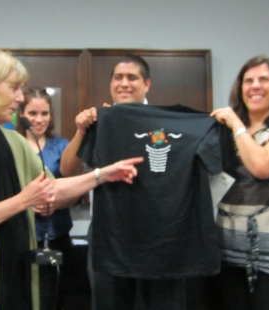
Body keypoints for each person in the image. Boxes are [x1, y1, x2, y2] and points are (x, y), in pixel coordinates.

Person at [0, 48, 143, 310]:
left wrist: (103, 174)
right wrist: (22, 200)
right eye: (14, 88)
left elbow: (51, 186)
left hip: (17, 267)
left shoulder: (12, 141)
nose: (19, 98)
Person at [61, 55, 204, 310]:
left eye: (132, 77)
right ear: (110, 84)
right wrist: (81, 131)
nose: (124, 83)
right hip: (108, 234)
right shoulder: (99, 122)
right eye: (118, 77)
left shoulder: (167, 124)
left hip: (161, 236)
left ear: (147, 84)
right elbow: (67, 170)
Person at [210, 55, 269, 309]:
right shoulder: (223, 132)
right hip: (226, 244)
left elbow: (261, 167)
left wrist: (235, 123)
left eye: (264, 79)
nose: (255, 86)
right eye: (248, 81)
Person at [15, 87, 73, 310]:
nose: (39, 120)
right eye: (32, 114)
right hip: (21, 236)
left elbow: (76, 190)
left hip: (56, 237)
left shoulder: (61, 146)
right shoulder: (11, 144)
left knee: (54, 299)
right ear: (22, 114)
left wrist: (55, 203)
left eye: (45, 114)